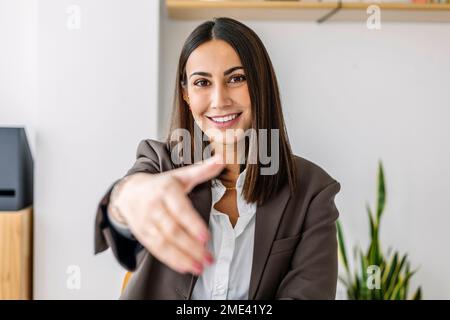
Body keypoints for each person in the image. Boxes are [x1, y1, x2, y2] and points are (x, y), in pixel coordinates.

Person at [94, 17, 341, 300]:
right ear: (186, 93)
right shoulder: (159, 163)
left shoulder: (311, 191)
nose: (219, 99)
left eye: (236, 78)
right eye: (202, 82)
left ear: (260, 84)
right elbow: (123, 216)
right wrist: (125, 202)